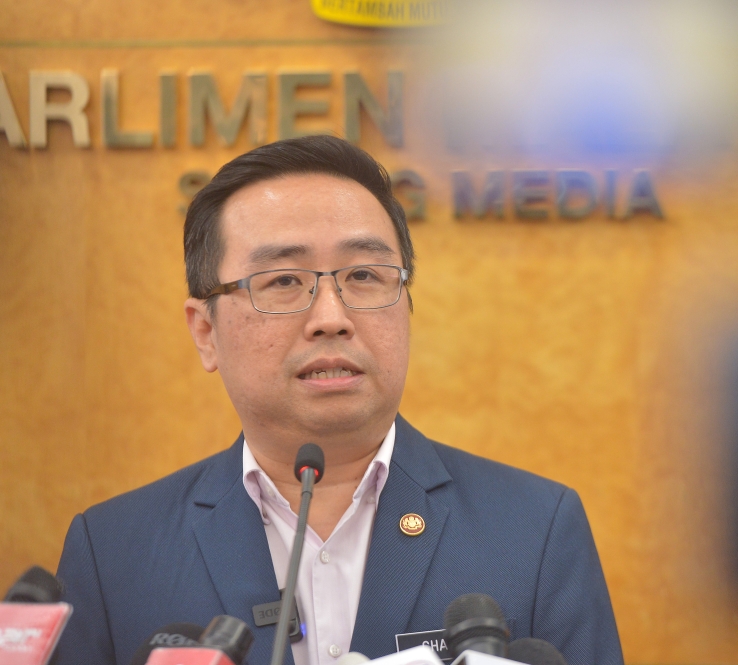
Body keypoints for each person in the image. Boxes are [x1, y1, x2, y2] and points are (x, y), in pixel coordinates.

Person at [54, 136, 623, 665]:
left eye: (365, 275)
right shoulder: (113, 553)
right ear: (206, 332)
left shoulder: (535, 530)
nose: (332, 317)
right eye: (283, 280)